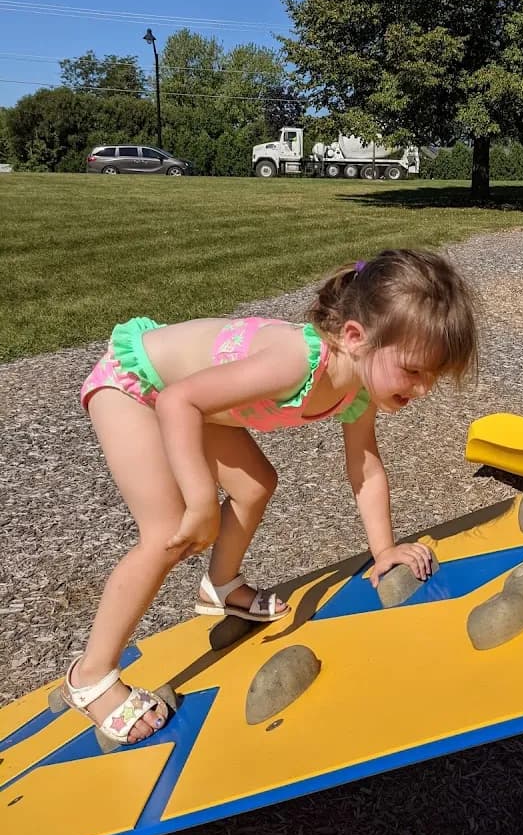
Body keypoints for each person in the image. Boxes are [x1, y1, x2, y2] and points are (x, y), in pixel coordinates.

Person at [58, 248, 478, 746]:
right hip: (137, 388)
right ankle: (91, 674)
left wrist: (384, 550)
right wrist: (198, 502)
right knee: (167, 530)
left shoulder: (360, 384)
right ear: (354, 338)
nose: (424, 388)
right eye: (414, 371)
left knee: (255, 484)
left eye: (433, 375)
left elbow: (364, 465)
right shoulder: (295, 361)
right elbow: (178, 401)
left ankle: (220, 586)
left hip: (196, 403)